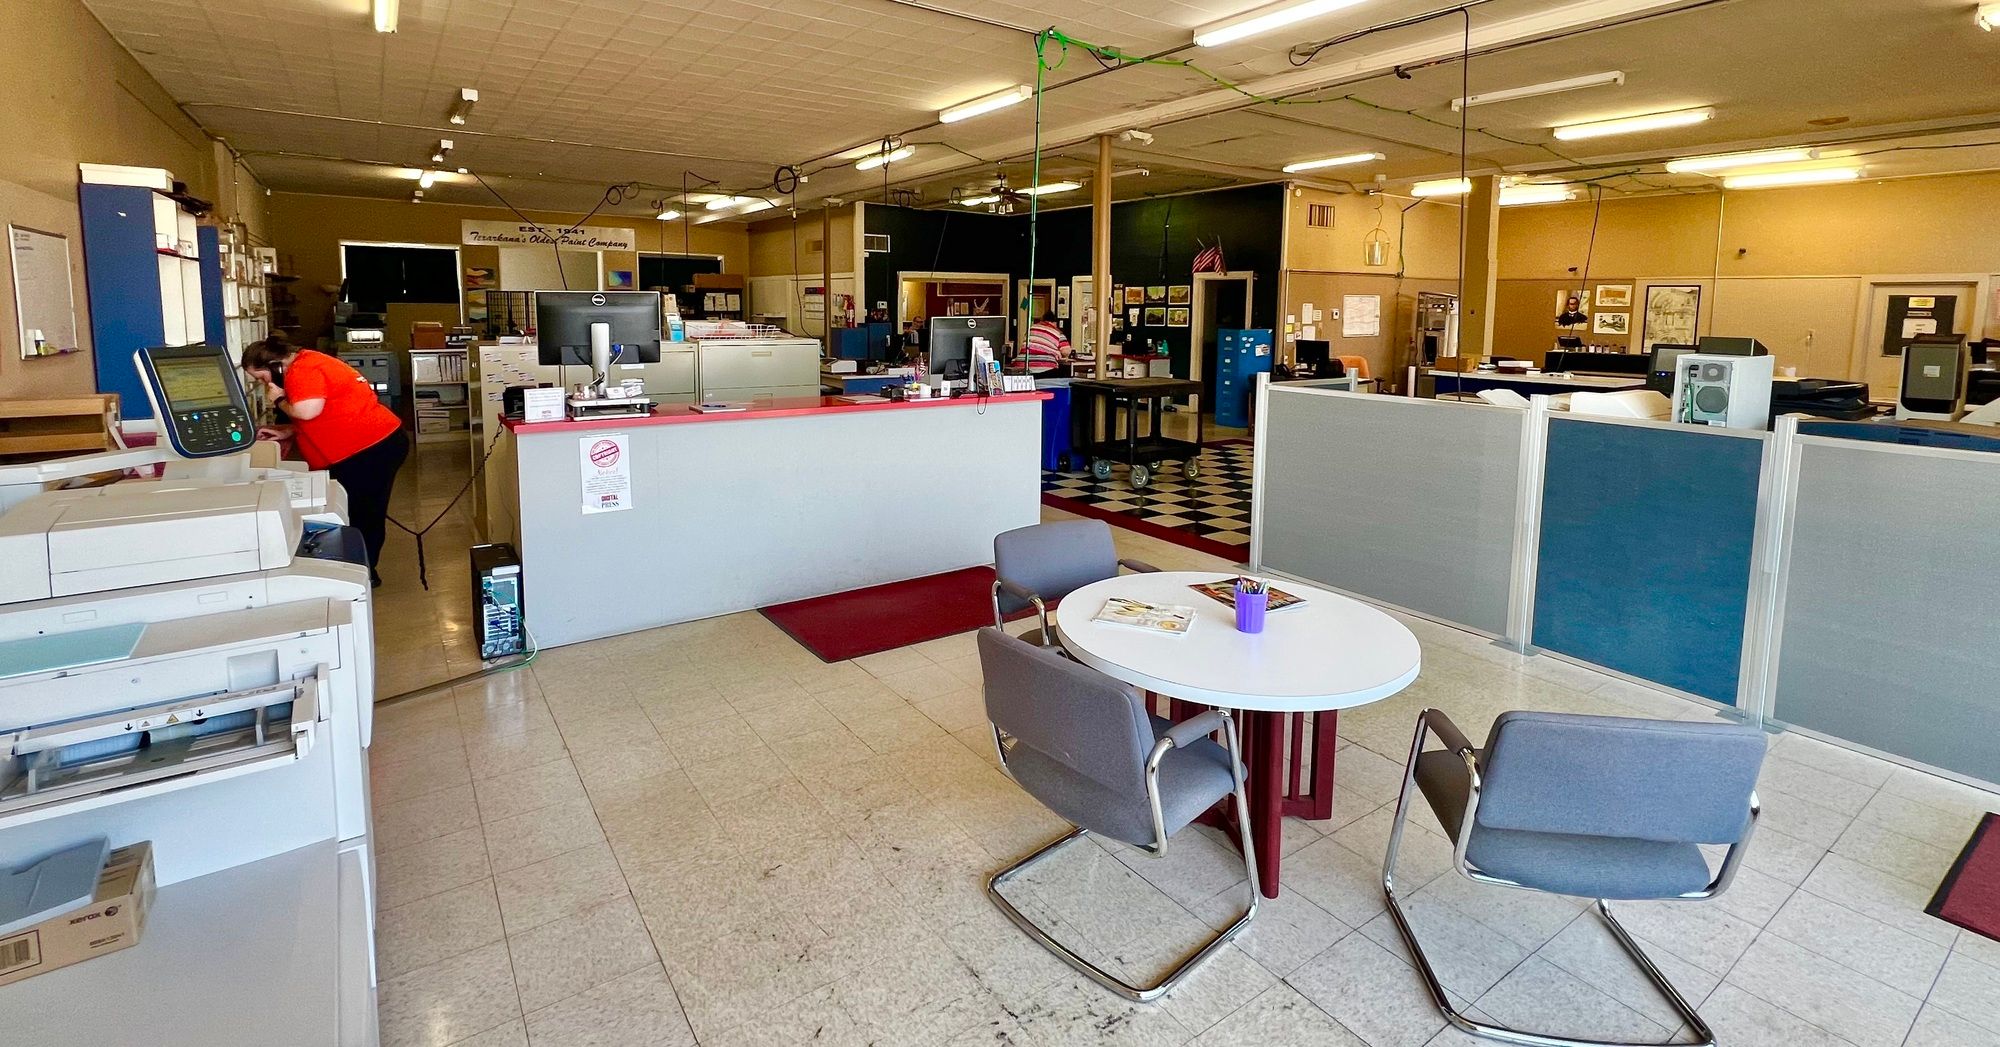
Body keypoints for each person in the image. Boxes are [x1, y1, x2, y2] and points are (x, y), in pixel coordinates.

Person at [241, 336, 409, 587]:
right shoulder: (311, 361)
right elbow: (331, 410)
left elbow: (307, 410)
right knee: (360, 510)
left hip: (369, 449)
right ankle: (358, 567)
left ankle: (362, 573)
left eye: (263, 378)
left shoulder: (302, 370)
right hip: (373, 445)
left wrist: (278, 399)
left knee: (362, 513)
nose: (266, 385)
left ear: (275, 366)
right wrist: (291, 430)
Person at [1021, 310, 1070, 375]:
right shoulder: (1057, 332)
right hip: (1045, 368)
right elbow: (1066, 352)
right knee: (1064, 373)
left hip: (1022, 366)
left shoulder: (1031, 329)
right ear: (1054, 322)